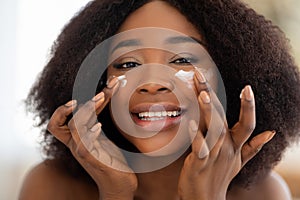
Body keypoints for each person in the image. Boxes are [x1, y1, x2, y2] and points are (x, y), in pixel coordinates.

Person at [19, 0, 300, 199]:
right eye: (127, 64)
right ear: (98, 83)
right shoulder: (51, 187)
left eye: (182, 60)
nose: (152, 83)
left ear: (228, 76)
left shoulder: (265, 194)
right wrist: (115, 194)